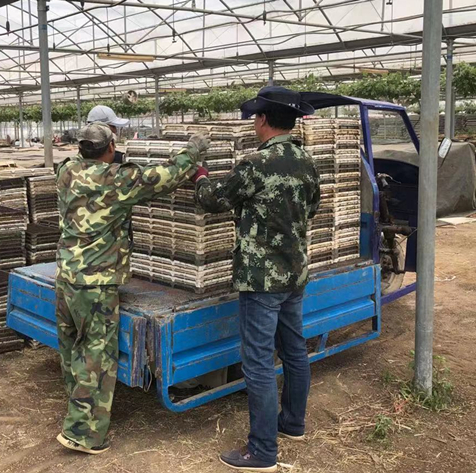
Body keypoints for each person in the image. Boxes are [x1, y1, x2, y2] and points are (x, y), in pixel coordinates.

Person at [55, 122, 210, 455]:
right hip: (96, 284)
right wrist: (194, 150)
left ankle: (77, 410)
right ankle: (83, 434)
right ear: (110, 147)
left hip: (67, 277)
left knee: (73, 350)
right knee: (97, 356)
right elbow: (166, 176)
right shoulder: (116, 180)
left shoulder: (66, 171)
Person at [193, 86, 321, 472]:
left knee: (259, 362)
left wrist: (200, 175)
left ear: (263, 120)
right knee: (294, 350)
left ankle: (263, 451)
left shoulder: (256, 164)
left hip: (262, 279)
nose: (253, 123)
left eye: (255, 117)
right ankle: (293, 424)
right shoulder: (306, 161)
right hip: (294, 272)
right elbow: (312, 208)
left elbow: (214, 199)